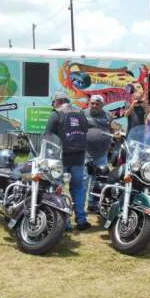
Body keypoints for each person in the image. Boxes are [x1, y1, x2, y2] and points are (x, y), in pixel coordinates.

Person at [45, 91, 90, 230]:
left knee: (58, 188)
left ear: (57, 102)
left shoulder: (56, 114)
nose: (52, 105)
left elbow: (48, 136)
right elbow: (85, 130)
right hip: (79, 156)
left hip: (61, 157)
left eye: (53, 103)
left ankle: (64, 223)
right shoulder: (80, 112)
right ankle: (81, 220)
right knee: (78, 188)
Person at [84, 94, 112, 212]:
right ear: (89, 103)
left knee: (99, 180)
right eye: (92, 103)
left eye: (97, 103)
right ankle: (79, 206)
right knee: (84, 179)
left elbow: (112, 130)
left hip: (102, 153)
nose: (94, 105)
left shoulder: (108, 116)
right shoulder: (83, 114)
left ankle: (93, 203)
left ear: (102, 104)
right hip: (85, 153)